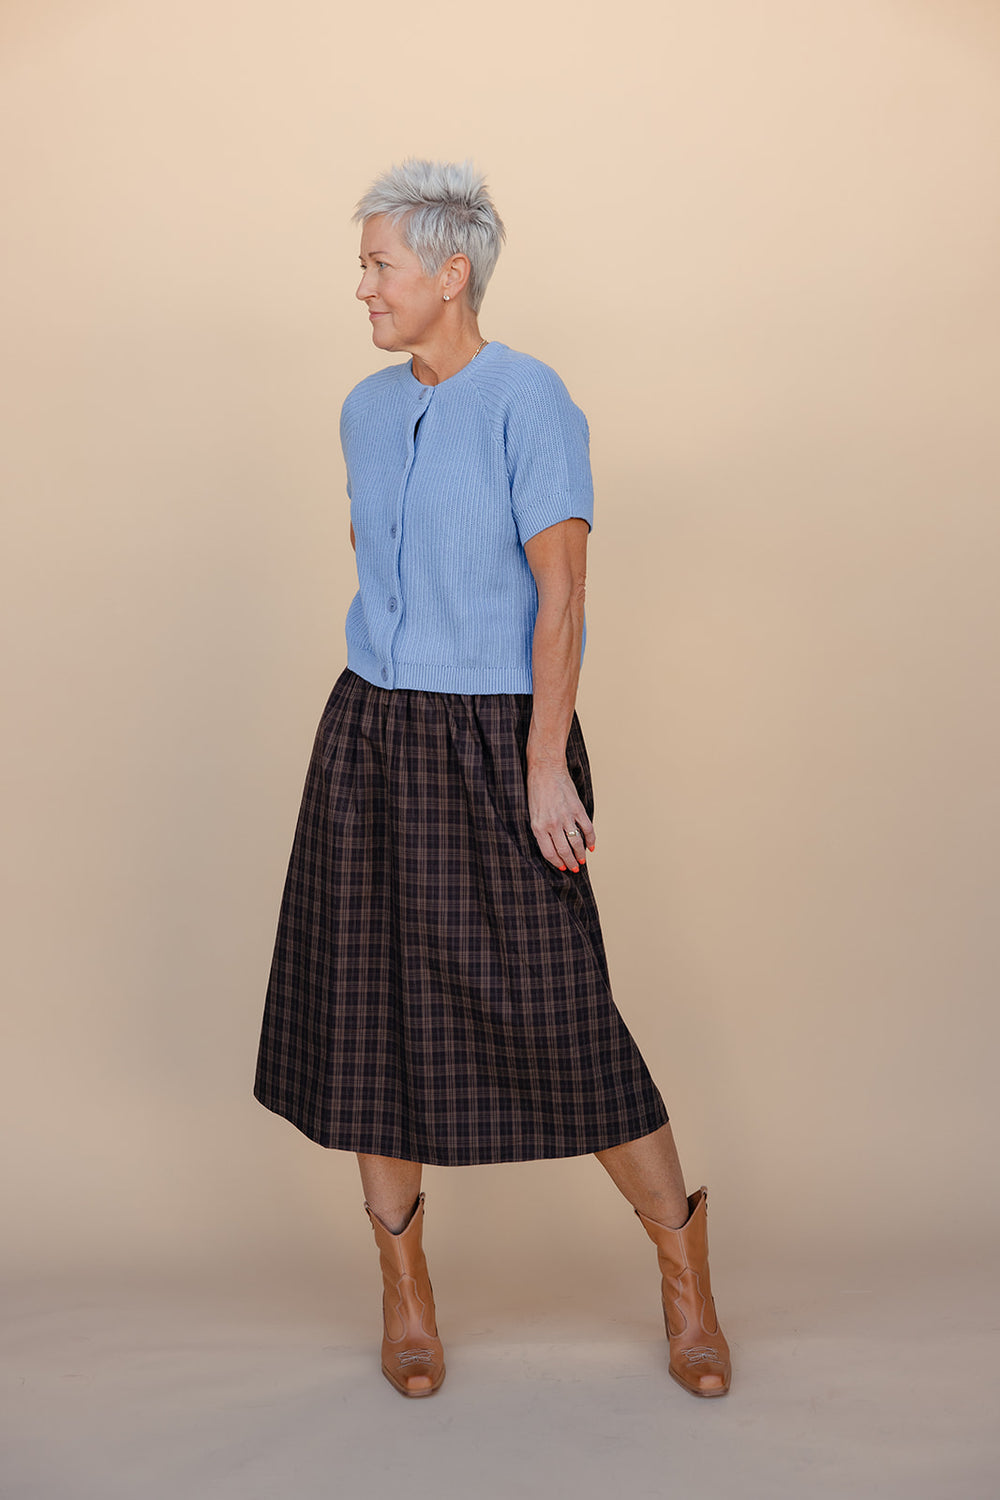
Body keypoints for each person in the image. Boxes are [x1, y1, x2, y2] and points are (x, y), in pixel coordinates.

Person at [253, 159, 731, 1400]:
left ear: (450, 272)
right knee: (367, 1015)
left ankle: (685, 1277)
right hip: (370, 732)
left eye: (380, 265)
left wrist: (542, 765)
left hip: (496, 738)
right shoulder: (363, 408)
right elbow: (375, 547)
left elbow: (562, 595)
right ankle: (405, 1295)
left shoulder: (531, 400)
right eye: (364, 265)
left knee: (565, 1010)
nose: (363, 287)